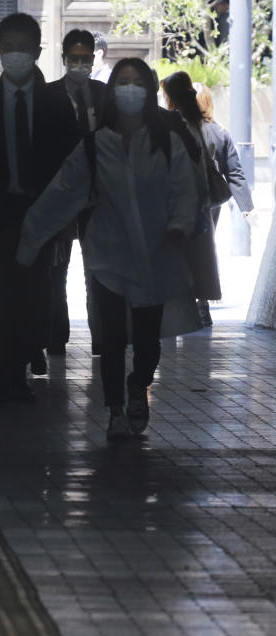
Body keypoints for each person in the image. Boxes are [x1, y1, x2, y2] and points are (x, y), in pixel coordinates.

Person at [17, 58, 198, 440]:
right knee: (111, 335)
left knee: (147, 340)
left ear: (148, 92)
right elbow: (62, 193)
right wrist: (31, 240)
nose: (129, 89)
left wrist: (180, 225)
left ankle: (139, 385)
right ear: (113, 92)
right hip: (108, 255)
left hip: (155, 252)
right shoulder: (95, 146)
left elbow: (185, 188)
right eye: (123, 83)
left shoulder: (167, 142)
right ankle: (115, 407)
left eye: (137, 83)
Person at [0, 13, 78, 401]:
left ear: (38, 52)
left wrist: (63, 225)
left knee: (34, 293)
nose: (16, 55)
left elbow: (69, 168)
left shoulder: (57, 105)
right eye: (9, 48)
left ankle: (20, 361)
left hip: (40, 215)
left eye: (24, 48)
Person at [43, 29, 107, 356]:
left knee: (98, 268)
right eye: (75, 59)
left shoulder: (104, 95)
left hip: (99, 195)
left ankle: (102, 336)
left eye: (86, 58)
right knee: (56, 268)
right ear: (64, 59)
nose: (81, 64)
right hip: (61, 193)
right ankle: (55, 335)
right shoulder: (47, 95)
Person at [162, 71, 222, 326]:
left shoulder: (175, 123)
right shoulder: (197, 123)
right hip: (201, 201)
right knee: (199, 258)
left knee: (180, 259)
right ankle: (201, 306)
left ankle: (184, 310)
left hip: (180, 202)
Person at [194, 83, 255, 257]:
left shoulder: (177, 128)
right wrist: (247, 208)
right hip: (211, 198)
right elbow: (234, 172)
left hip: (181, 197)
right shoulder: (220, 132)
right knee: (206, 244)